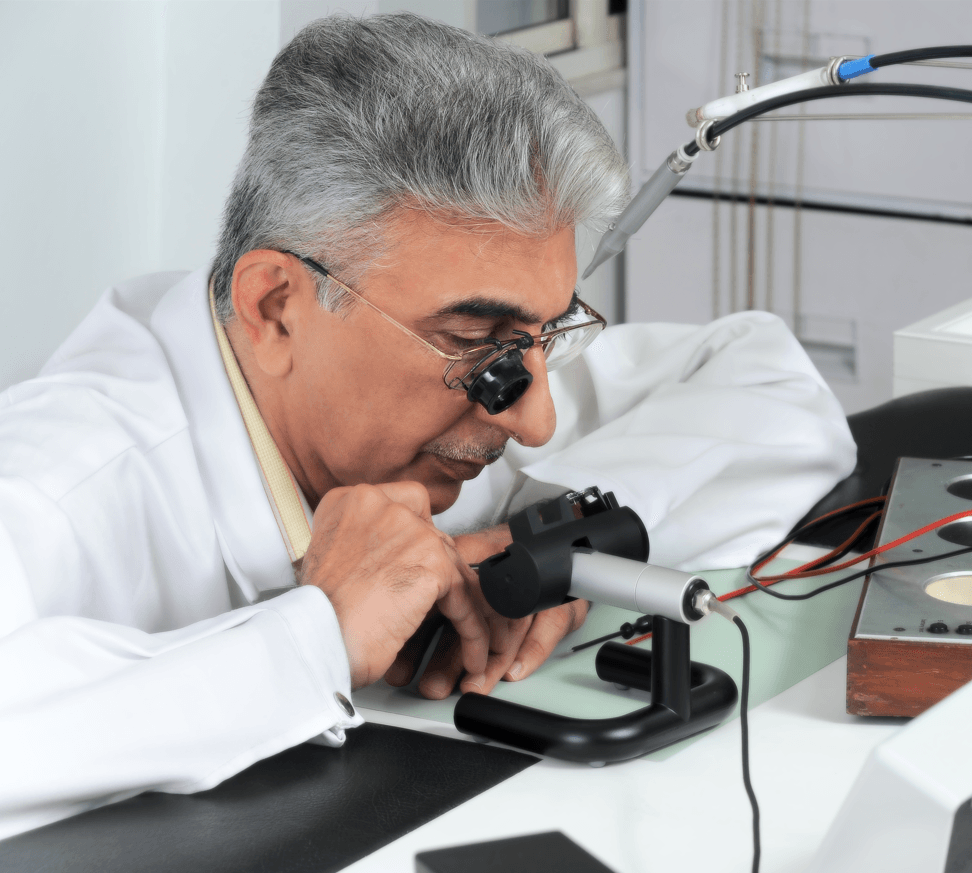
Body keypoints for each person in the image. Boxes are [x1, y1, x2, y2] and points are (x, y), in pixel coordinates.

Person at [0, 13, 855, 839]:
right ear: (275, 307)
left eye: (543, 337)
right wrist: (316, 634)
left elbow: (764, 375)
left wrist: (558, 537)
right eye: (478, 344)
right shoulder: (54, 486)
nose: (535, 417)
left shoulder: (401, 380)